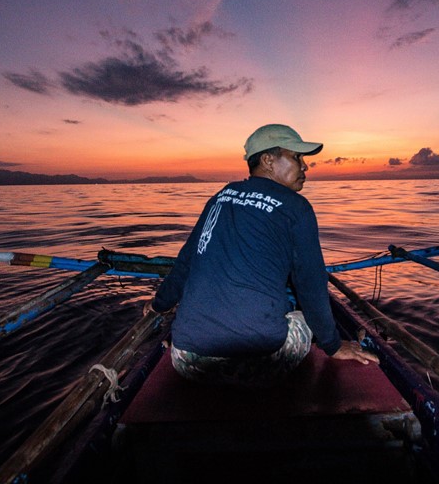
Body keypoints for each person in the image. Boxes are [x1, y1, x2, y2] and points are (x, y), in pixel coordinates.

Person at [145, 123, 377, 388]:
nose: (305, 166)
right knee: (304, 317)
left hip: (186, 359)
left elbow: (185, 263)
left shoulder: (220, 197)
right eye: (296, 157)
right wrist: (333, 345)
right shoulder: (296, 208)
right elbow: (311, 286)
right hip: (260, 365)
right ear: (268, 160)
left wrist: (158, 305)